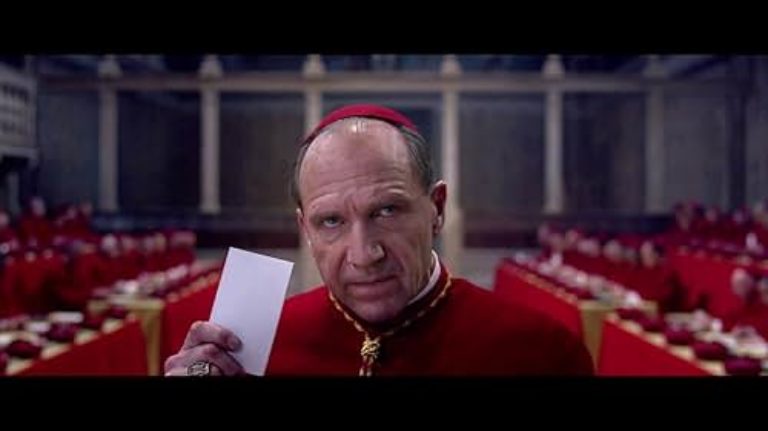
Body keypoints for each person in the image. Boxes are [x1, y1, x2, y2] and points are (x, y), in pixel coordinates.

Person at [164, 104, 593, 376]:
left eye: (386, 211)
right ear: (305, 229)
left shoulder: (542, 353)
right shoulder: (252, 351)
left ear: (437, 209)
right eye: (331, 221)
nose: (364, 255)